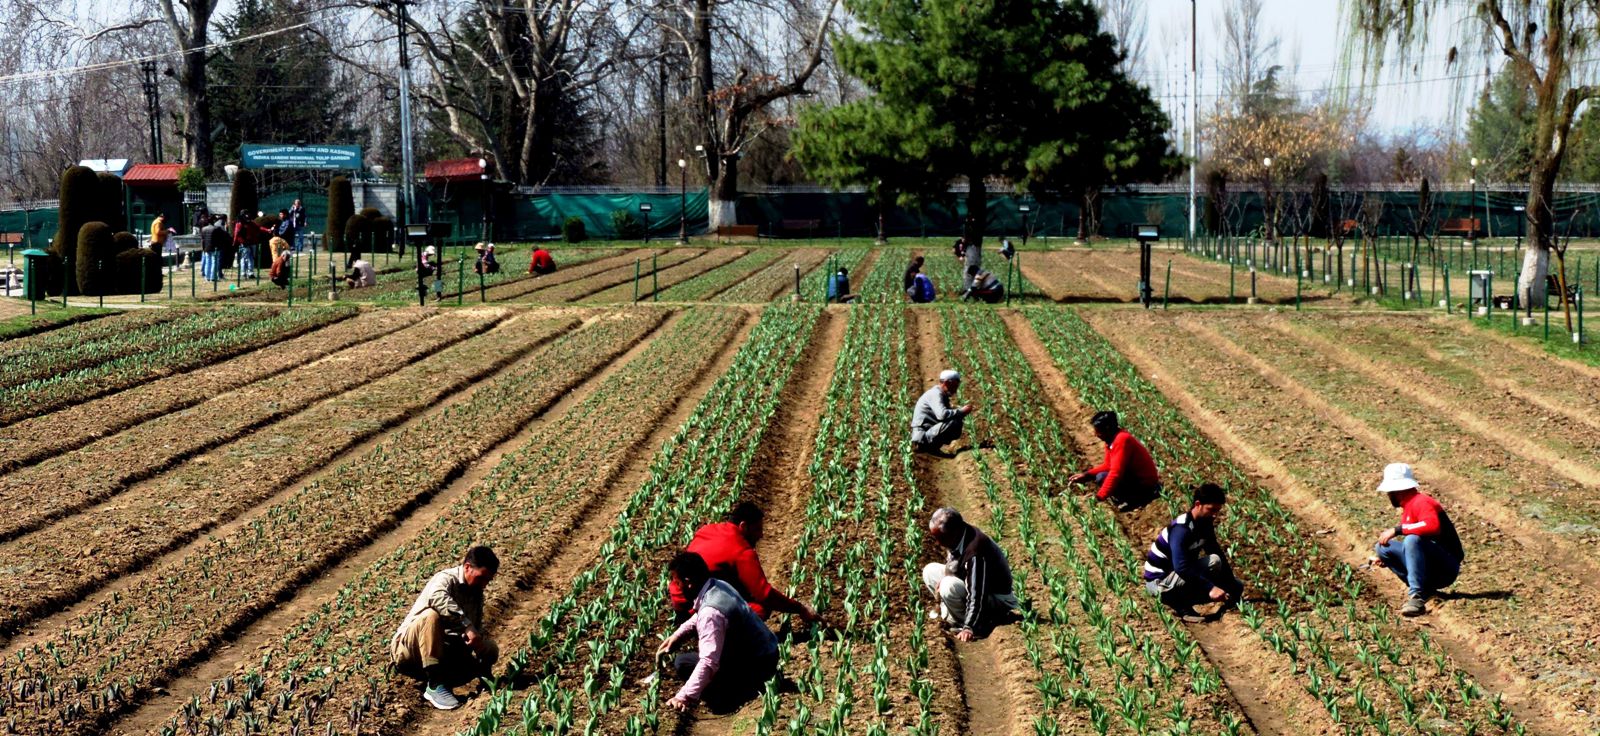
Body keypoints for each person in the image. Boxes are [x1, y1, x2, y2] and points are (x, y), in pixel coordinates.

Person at [657, 551, 779, 714]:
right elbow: (701, 615)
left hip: (757, 668)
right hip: (767, 654)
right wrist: (677, 636)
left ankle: (732, 696)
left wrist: (683, 697)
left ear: (688, 582)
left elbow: (709, 661)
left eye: (676, 582)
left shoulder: (711, 612)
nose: (674, 587)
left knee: (683, 663)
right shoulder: (718, 586)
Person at [668, 503, 824, 624]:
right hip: (692, 606)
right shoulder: (741, 550)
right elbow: (764, 594)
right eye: (757, 530)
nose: (761, 535)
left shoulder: (707, 529)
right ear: (743, 526)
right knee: (760, 608)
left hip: (679, 597)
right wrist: (800, 608)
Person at [391, 546, 501, 710]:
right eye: (481, 578)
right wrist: (467, 626)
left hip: (444, 651)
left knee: (490, 648)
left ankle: (484, 678)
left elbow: (475, 628)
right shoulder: (445, 579)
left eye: (488, 580)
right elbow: (438, 598)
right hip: (409, 651)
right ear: (467, 567)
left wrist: (474, 641)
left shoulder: (476, 592)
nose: (484, 584)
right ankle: (435, 684)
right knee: (431, 616)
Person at [1370, 463, 1464, 617]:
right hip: (1431, 564)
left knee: (1412, 540)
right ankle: (1424, 588)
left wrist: (1397, 530)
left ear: (1396, 491)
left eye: (1389, 492)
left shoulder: (1422, 502)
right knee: (1383, 548)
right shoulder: (1409, 506)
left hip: (1446, 567)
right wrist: (1388, 559)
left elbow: (1431, 526)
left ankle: (1417, 596)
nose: (1388, 495)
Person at [1143, 483, 1245, 622]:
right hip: (1159, 583)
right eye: (1211, 509)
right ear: (1198, 504)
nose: (1215, 515)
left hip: (1178, 577)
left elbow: (1215, 550)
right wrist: (1210, 588)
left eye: (1217, 510)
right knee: (1212, 565)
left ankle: (1184, 599)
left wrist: (1231, 584)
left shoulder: (1205, 523)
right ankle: (1181, 606)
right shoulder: (1181, 529)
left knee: (1232, 581)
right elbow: (1181, 568)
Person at [921, 507, 1019, 641]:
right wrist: (943, 577)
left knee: (949, 586)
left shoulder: (975, 551)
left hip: (996, 597)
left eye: (941, 538)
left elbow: (977, 592)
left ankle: (972, 624)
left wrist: (969, 627)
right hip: (975, 584)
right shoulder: (960, 533)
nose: (938, 543)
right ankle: (950, 615)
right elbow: (953, 564)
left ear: (952, 533)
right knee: (930, 571)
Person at [1068, 411, 1162, 512]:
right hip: (1135, 478)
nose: (1095, 435)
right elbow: (1108, 465)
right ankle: (1130, 498)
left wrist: (1099, 497)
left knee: (1102, 477)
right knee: (1101, 476)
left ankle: (1135, 500)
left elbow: (1116, 472)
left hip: (1146, 484)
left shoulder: (1122, 440)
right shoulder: (1111, 440)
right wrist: (1086, 475)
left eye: (1098, 431)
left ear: (1107, 429)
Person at [911, 369, 975, 455]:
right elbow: (942, 415)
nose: (955, 390)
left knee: (956, 420)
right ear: (947, 383)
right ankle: (927, 447)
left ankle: (933, 448)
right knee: (954, 422)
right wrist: (961, 411)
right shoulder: (936, 394)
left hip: (927, 432)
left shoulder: (941, 394)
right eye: (955, 386)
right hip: (921, 437)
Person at [232, 210, 270, 278]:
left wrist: (267, 230)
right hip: (244, 243)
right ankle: (243, 272)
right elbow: (236, 234)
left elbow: (258, 228)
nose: (247, 215)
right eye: (245, 214)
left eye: (247, 213)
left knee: (251, 258)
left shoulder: (251, 223)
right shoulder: (239, 224)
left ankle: (250, 273)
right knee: (244, 258)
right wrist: (235, 243)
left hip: (252, 243)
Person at [199, 215, 223, 282]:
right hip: (214, 248)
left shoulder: (203, 229)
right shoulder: (216, 229)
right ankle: (213, 277)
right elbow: (219, 239)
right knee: (214, 262)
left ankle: (207, 277)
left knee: (207, 262)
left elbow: (202, 240)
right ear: (214, 221)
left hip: (206, 248)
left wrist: (203, 248)